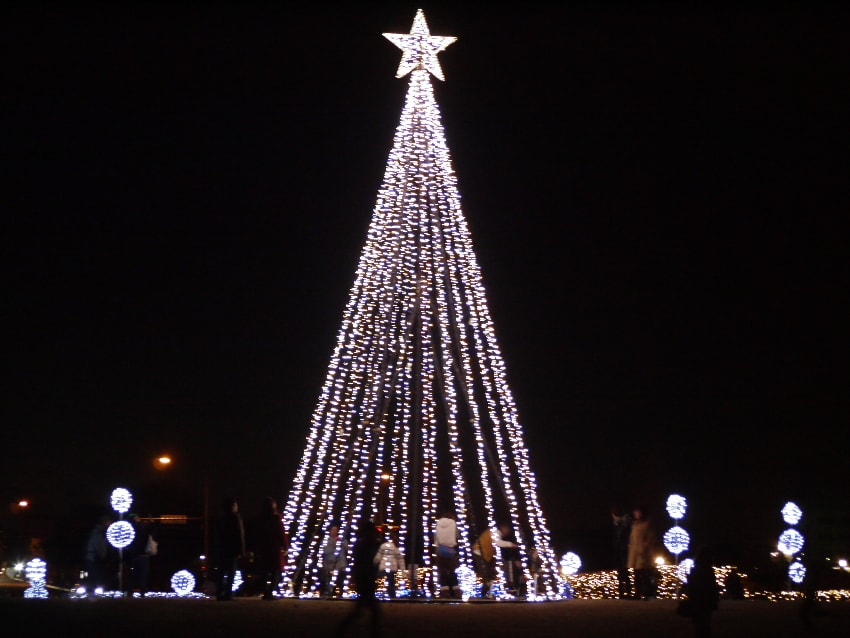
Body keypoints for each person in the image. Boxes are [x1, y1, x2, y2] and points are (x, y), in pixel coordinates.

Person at [333, 518, 383, 638]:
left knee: (361, 610)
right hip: (365, 580)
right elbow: (364, 563)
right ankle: (341, 631)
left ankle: (341, 630)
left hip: (365, 580)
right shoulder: (364, 545)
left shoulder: (366, 544)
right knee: (367, 611)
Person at [248, 496, 289, 600]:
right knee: (275, 571)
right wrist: (285, 546)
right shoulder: (276, 519)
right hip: (273, 548)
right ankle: (269, 592)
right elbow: (281, 533)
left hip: (264, 548)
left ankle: (266, 591)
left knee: (265, 571)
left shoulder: (260, 519)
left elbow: (256, 534)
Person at [682, 546, 720, 638]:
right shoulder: (709, 569)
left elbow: (694, 585)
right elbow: (711, 585)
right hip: (706, 601)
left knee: (699, 624)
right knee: (705, 623)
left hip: (698, 600)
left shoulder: (697, 569)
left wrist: (689, 579)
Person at [213, 497, 245, 600]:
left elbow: (217, 534)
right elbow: (240, 535)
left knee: (221, 572)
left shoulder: (220, 518)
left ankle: (219, 593)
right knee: (231, 573)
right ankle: (228, 594)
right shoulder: (236, 517)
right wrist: (241, 550)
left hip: (222, 549)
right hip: (232, 550)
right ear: (233, 507)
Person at [627, 505, 656, 600]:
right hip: (635, 552)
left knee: (644, 574)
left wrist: (644, 547)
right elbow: (632, 538)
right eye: (635, 512)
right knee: (636, 574)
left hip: (643, 553)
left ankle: (647, 593)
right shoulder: (634, 524)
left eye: (638, 512)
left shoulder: (647, 524)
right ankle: (637, 593)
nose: (636, 514)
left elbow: (650, 537)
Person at [433, 510, 461, 598]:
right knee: (452, 571)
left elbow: (435, 537)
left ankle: (445, 592)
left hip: (440, 549)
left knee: (442, 571)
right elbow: (457, 536)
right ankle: (456, 591)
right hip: (451, 549)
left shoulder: (437, 524)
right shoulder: (454, 523)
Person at [83, 512, 112, 595]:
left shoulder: (100, 531)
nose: (110, 524)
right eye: (109, 522)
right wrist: (102, 555)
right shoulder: (99, 532)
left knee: (94, 574)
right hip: (92, 557)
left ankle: (92, 590)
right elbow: (98, 545)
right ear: (105, 522)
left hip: (92, 556)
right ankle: (93, 590)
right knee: (94, 574)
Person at [125, 513, 153, 596]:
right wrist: (151, 523)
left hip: (135, 555)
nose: (139, 518)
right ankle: (142, 591)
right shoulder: (141, 527)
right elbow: (149, 531)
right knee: (142, 574)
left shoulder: (130, 530)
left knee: (134, 574)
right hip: (142, 555)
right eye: (137, 517)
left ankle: (131, 591)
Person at [493, 522, 523, 596]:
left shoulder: (496, 532)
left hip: (487, 553)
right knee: (490, 573)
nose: (507, 531)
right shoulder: (496, 532)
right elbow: (498, 542)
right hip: (481, 552)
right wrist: (511, 544)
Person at [611, 504, 633, 598]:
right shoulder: (618, 523)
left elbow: (623, 536)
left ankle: (626, 592)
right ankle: (622, 592)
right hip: (619, 550)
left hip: (624, 549)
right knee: (621, 572)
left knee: (624, 572)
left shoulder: (624, 523)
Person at [322, 523, 348, 598]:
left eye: (336, 530)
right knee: (330, 579)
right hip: (330, 564)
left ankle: (341, 593)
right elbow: (325, 551)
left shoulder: (341, 539)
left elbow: (347, 549)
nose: (334, 531)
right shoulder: (326, 540)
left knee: (341, 579)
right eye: (333, 530)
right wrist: (333, 545)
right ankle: (330, 592)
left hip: (340, 564)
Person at [375, 529, 404, 599]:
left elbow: (378, 557)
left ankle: (380, 593)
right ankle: (392, 596)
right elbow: (400, 559)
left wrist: (374, 562)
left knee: (379, 579)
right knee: (391, 582)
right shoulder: (396, 547)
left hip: (383, 566)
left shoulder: (383, 546)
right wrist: (403, 570)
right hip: (392, 567)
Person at [472, 528, 496, 598]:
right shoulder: (494, 533)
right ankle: (485, 593)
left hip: (481, 553)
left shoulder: (488, 533)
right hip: (480, 553)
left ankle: (486, 593)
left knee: (487, 574)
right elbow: (498, 543)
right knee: (486, 574)